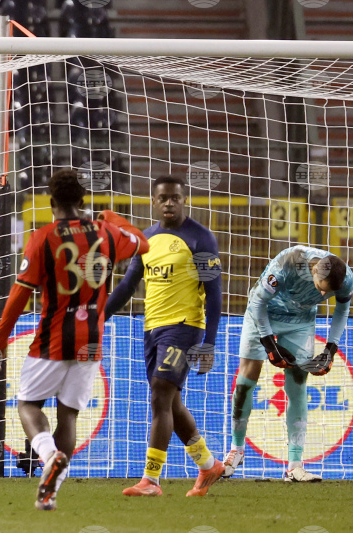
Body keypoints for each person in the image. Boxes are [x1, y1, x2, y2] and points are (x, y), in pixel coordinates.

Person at [0, 169, 148, 510]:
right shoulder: (106, 232)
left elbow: (19, 294)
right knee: (69, 416)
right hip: (91, 340)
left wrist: (0, 338)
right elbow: (142, 243)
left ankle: (49, 457)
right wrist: (112, 217)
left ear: (52, 203)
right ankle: (51, 490)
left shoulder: (43, 237)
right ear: (82, 200)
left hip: (53, 339)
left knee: (28, 405)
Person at [105, 175, 223, 497]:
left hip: (185, 326)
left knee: (160, 392)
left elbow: (214, 295)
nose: (169, 203)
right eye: (163, 198)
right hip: (152, 327)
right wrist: (98, 317)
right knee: (170, 401)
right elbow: (127, 286)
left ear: (184, 200)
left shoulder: (201, 239)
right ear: (153, 202)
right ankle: (208, 464)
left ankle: (151, 480)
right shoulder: (145, 239)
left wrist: (209, 343)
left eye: (175, 198)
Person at [222, 246, 353, 482]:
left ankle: (295, 466)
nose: (322, 294)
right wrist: (268, 343)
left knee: (298, 383)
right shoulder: (288, 263)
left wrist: (331, 349)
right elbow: (257, 301)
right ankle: (236, 450)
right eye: (321, 287)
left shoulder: (346, 279)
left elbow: (342, 309)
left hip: (300, 322)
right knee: (245, 382)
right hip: (263, 314)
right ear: (314, 270)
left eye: (328, 293)